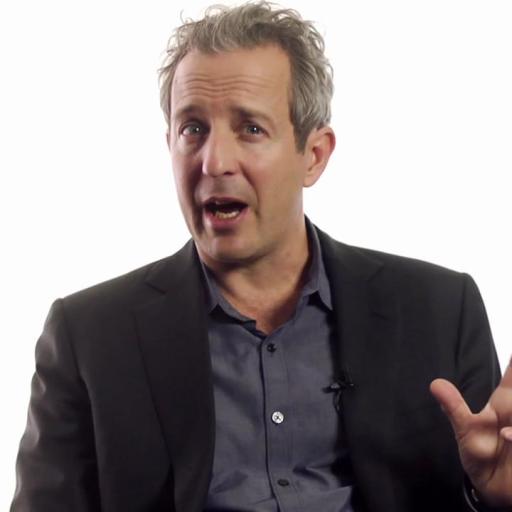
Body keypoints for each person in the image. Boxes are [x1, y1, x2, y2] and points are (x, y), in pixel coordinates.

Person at [10, 2, 512, 511]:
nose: (214, 162)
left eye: (250, 128)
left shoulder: (440, 309)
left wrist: (494, 496)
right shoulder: (89, 335)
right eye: (192, 129)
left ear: (313, 155)